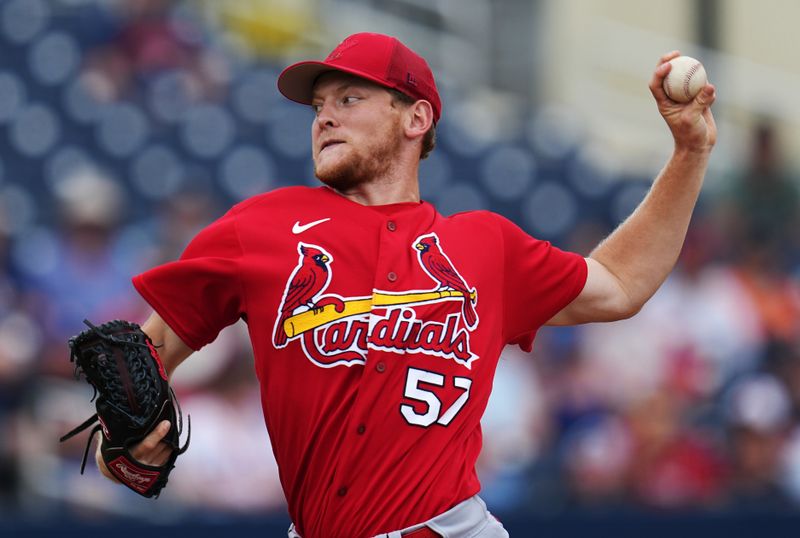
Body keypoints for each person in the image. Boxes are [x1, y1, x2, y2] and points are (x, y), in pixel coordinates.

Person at [92, 33, 717, 538]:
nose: (325, 118)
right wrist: (121, 449)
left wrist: (689, 153)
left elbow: (620, 284)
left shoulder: (484, 246)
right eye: (318, 107)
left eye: (349, 99)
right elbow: (143, 360)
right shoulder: (261, 227)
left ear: (416, 117)